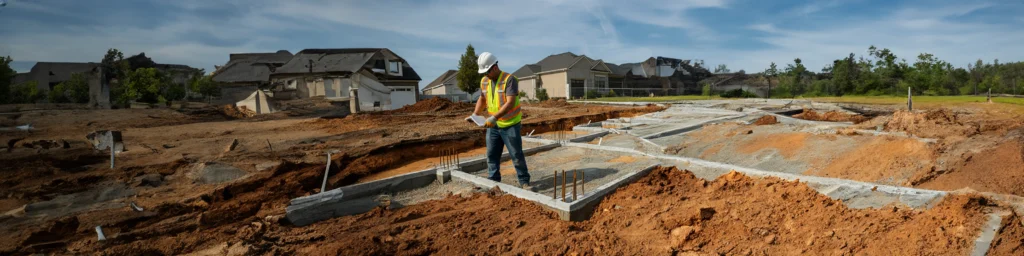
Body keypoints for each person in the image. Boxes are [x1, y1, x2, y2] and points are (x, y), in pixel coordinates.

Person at [472, 52, 532, 190]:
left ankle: (524, 181)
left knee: (516, 155)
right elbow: (482, 99)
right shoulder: (485, 81)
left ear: (494, 67)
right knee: (491, 155)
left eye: (487, 71)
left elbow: (510, 103)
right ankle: (493, 181)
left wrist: (493, 117)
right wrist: (475, 114)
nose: (485, 74)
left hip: (510, 124)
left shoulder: (510, 80)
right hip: (494, 126)